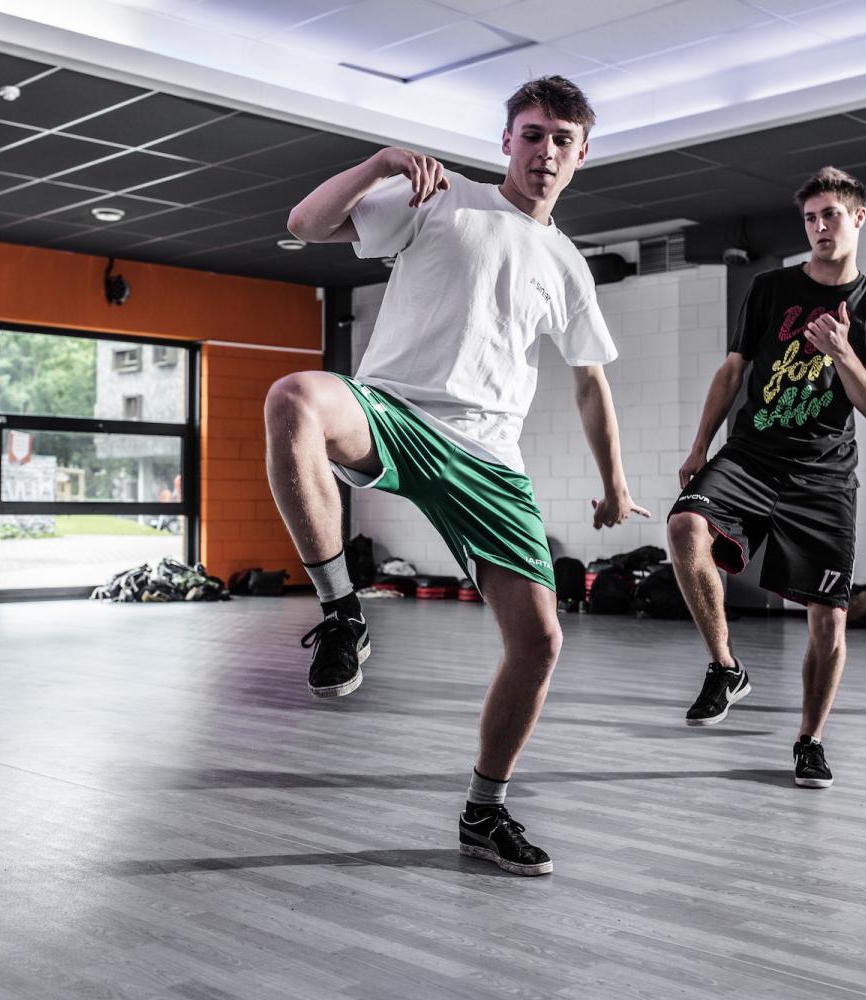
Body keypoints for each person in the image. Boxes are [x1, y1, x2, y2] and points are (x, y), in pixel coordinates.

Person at [264, 76, 648, 876]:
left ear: (583, 154)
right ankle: (342, 615)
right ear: (508, 139)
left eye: (562, 140)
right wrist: (378, 164)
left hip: (488, 459)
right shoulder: (443, 197)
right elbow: (304, 223)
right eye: (533, 134)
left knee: (539, 642)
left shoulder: (567, 264)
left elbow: (589, 380)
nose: (546, 151)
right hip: (394, 409)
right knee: (295, 395)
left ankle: (485, 812)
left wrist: (614, 482)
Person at [665, 166, 866, 788]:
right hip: (751, 455)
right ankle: (725, 667)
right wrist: (699, 445)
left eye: (832, 215)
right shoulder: (770, 288)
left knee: (828, 619)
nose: (821, 227)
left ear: (858, 217)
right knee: (684, 524)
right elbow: (732, 371)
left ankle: (810, 740)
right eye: (810, 218)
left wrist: (842, 352)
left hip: (824, 478)